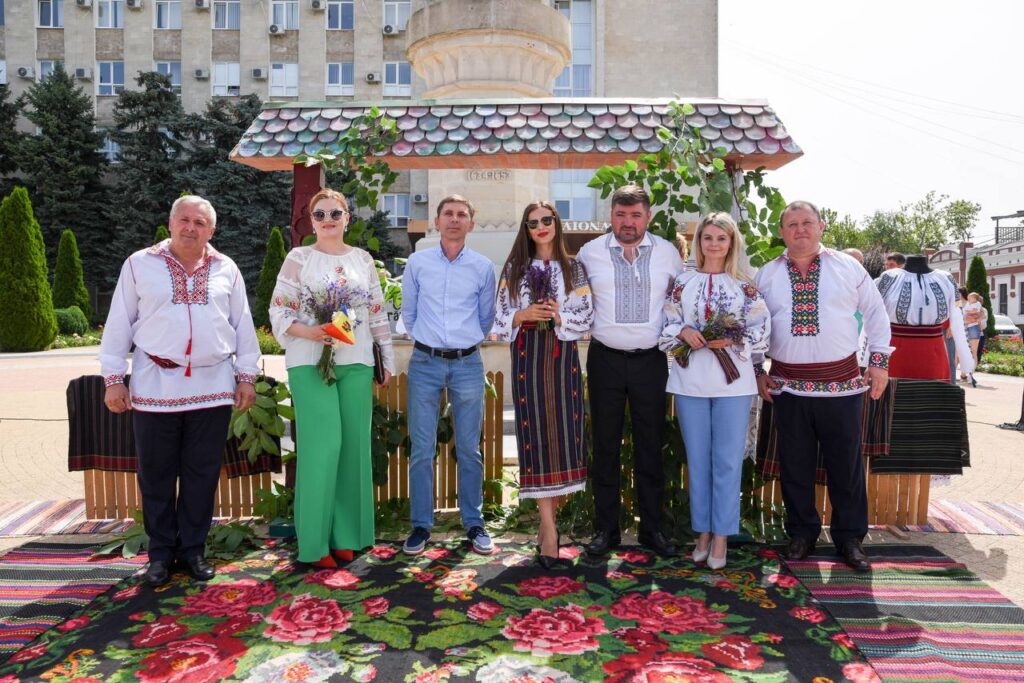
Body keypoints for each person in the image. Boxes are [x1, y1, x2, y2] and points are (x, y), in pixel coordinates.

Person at [100, 196, 260, 586]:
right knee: (155, 475)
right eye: (185, 220)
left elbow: (243, 326)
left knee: (201, 475)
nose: (191, 228)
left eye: (200, 222)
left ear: (212, 230)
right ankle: (159, 555)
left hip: (212, 387)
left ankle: (192, 551)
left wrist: (246, 376)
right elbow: (119, 322)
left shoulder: (227, 269)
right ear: (170, 223)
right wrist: (113, 377)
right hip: (155, 382)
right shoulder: (140, 265)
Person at [755, 201, 892, 573]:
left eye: (807, 223)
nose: (800, 229)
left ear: (822, 227)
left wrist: (878, 364)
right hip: (788, 387)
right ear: (781, 231)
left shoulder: (849, 267)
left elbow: (877, 314)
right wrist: (756, 369)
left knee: (844, 465)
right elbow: (751, 326)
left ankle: (849, 539)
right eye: (792, 224)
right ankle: (801, 533)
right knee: (794, 464)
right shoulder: (766, 275)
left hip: (843, 387)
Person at [269, 188, 396, 568]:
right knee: (324, 448)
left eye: (335, 213)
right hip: (309, 361)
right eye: (320, 214)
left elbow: (376, 313)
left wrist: (384, 359)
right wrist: (313, 332)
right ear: (312, 221)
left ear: (346, 218)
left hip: (355, 361)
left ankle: (348, 537)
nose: (327, 220)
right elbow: (278, 310)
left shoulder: (362, 260)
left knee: (353, 448)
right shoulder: (299, 258)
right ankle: (315, 542)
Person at [576, 184, 684, 558]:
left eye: (636, 215)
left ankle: (652, 530)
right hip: (604, 359)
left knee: (650, 446)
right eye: (621, 215)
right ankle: (606, 530)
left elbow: (681, 301)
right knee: (604, 446)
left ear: (647, 216)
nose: (628, 222)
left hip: (651, 361)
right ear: (611, 216)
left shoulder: (668, 253)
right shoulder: (589, 254)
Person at [659, 213, 770, 570]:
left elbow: (762, 330)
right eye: (707, 237)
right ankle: (702, 531)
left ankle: (722, 534)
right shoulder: (682, 283)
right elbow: (666, 322)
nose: (714, 244)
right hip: (690, 381)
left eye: (721, 238)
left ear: (731, 242)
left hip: (733, 384)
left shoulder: (745, 286)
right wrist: (682, 333)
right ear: (699, 242)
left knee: (726, 461)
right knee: (698, 460)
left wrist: (734, 337)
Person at [492, 201, 593, 568]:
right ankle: (549, 528)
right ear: (527, 228)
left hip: (561, 354)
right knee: (534, 434)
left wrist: (559, 315)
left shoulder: (574, 267)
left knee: (563, 434)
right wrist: (523, 314)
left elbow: (587, 315)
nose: (541, 227)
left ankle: (550, 522)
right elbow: (498, 317)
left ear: (556, 223)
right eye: (533, 223)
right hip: (527, 354)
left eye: (546, 220)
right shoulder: (514, 267)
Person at [401, 195, 497, 556]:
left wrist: (461, 343)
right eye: (448, 214)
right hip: (425, 363)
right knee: (422, 450)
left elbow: (486, 318)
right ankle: (421, 526)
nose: (454, 220)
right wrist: (430, 343)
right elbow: (408, 314)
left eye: (462, 215)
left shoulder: (483, 267)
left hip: (468, 363)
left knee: (470, 449)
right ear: (437, 221)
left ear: (471, 223)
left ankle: (474, 523)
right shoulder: (418, 262)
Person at [875, 255, 973, 383]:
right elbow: (873, 315)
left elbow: (957, 311)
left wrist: (966, 360)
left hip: (934, 353)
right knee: (894, 398)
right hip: (895, 350)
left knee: (931, 397)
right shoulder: (888, 278)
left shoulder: (947, 279)